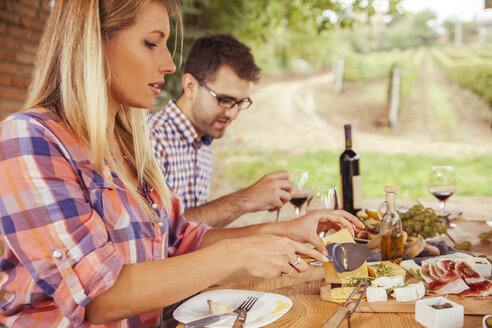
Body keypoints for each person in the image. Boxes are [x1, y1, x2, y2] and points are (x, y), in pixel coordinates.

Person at [0, 1, 363, 327]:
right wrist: (236, 252)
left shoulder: (128, 143)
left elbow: (181, 239)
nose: (170, 64)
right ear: (93, 43)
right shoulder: (29, 138)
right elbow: (97, 296)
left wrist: (285, 230)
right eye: (151, 42)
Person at [149, 34, 292, 228]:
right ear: (190, 86)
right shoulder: (152, 140)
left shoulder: (203, 141)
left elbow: (196, 234)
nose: (233, 113)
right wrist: (246, 199)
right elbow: (157, 231)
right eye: (224, 100)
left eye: (240, 103)